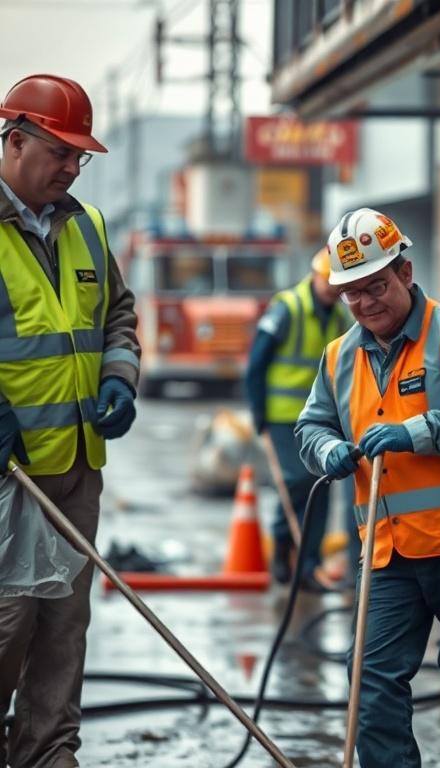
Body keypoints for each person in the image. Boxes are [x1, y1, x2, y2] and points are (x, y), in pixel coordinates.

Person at [295, 208, 440, 767]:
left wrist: (412, 432)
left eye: (376, 287)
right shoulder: (339, 356)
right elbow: (312, 425)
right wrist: (328, 450)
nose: (366, 304)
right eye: (352, 294)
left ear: (405, 272)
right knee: (369, 676)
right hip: (388, 548)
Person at [0, 74, 141, 768]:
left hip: (75, 470)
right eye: (62, 152)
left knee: (62, 630)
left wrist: (118, 377)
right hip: (7, 478)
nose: (73, 167)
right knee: (6, 631)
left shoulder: (85, 226)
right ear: (15, 140)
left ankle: (48, 755)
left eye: (81, 156)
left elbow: (117, 313)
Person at [245, 247, 353, 595]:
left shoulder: (338, 316)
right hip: (281, 416)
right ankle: (282, 549)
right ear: (314, 275)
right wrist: (258, 412)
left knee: (320, 487)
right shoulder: (287, 308)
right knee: (294, 481)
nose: (331, 288)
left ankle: (307, 567)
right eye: (327, 280)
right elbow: (256, 363)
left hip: (320, 419)